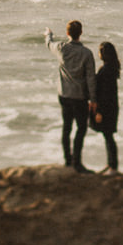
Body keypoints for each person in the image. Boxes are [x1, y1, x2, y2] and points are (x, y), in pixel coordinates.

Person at [45, 21, 96, 173]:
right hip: (80, 97)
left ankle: (68, 160)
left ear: (67, 33)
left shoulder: (61, 48)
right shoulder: (87, 53)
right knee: (81, 129)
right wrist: (93, 100)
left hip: (64, 95)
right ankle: (77, 162)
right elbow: (91, 79)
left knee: (66, 128)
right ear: (80, 33)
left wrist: (48, 34)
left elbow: (49, 44)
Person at [92, 41, 121, 174]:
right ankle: (111, 165)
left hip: (106, 108)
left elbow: (104, 94)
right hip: (112, 106)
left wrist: (99, 111)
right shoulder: (111, 68)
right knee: (108, 136)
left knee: (108, 137)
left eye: (99, 51)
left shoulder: (106, 70)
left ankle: (113, 167)